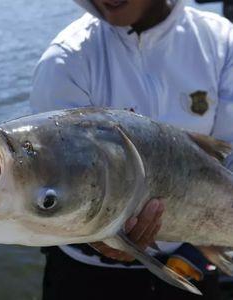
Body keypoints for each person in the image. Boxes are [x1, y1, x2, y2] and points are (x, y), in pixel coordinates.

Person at [29, 0, 233, 299]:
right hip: (86, 274)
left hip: (191, 262)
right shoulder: (66, 58)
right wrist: (100, 239)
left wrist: (203, 243)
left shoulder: (220, 40)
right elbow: (50, 177)